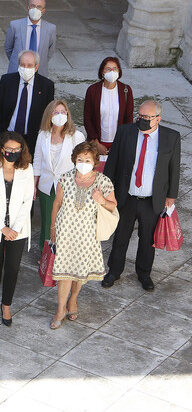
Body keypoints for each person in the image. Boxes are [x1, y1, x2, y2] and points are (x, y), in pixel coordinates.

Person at [103, 100, 181, 291]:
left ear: (158, 119)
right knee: (121, 236)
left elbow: (174, 168)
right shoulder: (125, 132)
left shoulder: (171, 137)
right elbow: (112, 162)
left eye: (147, 117)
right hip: (127, 196)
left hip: (151, 199)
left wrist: (171, 196)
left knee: (148, 239)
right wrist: (107, 189)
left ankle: (144, 274)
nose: (143, 120)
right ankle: (114, 271)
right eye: (141, 116)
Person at [50, 140, 118, 329]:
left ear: (95, 161)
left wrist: (101, 199)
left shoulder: (103, 181)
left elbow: (113, 206)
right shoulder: (65, 178)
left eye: (87, 159)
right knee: (64, 274)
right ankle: (61, 308)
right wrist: (52, 229)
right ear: (74, 159)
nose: (83, 162)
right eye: (80, 158)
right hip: (65, 234)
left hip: (86, 236)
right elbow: (57, 204)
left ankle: (73, 300)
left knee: (79, 273)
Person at [0, 132, 34, 327]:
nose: (12, 152)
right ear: (1, 149)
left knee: (12, 268)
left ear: (21, 150)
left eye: (16, 150)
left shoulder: (27, 169)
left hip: (18, 230)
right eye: (9, 149)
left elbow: (27, 201)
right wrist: (3, 228)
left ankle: (7, 304)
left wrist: (15, 228)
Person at [34, 100, 87, 244]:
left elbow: (82, 163)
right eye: (56, 112)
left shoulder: (76, 136)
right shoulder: (42, 135)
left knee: (65, 221)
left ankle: (63, 252)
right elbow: (37, 161)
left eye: (63, 112)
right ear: (49, 115)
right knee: (47, 221)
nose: (60, 115)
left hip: (68, 187)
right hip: (47, 185)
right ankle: (45, 252)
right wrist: (34, 185)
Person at [0, 50, 55, 155]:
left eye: (29, 65)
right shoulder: (7, 81)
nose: (25, 68)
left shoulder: (46, 86)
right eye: (22, 65)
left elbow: (48, 115)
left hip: (32, 140)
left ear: (36, 67)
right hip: (8, 136)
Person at [82, 57, 134, 155]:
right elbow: (87, 118)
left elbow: (129, 118)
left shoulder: (126, 90)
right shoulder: (92, 90)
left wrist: (120, 142)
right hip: (97, 143)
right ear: (102, 72)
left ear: (119, 71)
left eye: (115, 69)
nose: (112, 71)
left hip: (118, 143)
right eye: (108, 69)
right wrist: (96, 143)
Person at [5, 0, 56, 78]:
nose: (35, 9)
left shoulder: (50, 28)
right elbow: (8, 48)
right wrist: (19, 62)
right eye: (33, 6)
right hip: (17, 70)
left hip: (39, 72)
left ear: (43, 11)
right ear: (28, 7)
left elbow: (50, 50)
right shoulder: (15, 25)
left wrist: (37, 64)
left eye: (39, 7)